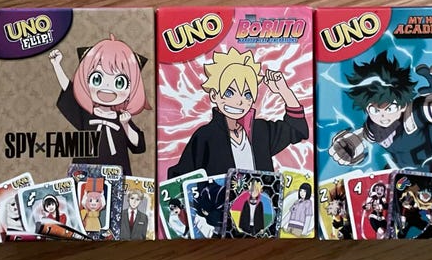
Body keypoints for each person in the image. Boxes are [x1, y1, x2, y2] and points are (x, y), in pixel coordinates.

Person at [168, 47, 308, 177]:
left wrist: (284, 91)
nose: (239, 101)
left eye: (247, 95)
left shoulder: (261, 130)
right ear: (214, 95)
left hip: (261, 195)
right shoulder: (205, 136)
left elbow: (297, 130)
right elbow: (180, 178)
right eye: (229, 93)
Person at [329, 51, 432, 172]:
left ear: (403, 105)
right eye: (374, 110)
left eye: (390, 109)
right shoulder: (374, 126)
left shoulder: (416, 114)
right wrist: (348, 146)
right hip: (399, 178)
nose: (383, 115)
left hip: (430, 174)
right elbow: (362, 138)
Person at [49, 34, 151, 176]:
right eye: (97, 79)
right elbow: (69, 90)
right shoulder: (86, 114)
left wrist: (126, 125)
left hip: (115, 175)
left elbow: (138, 146)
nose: (107, 87)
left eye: (119, 82)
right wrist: (57, 65)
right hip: (85, 173)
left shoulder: (122, 118)